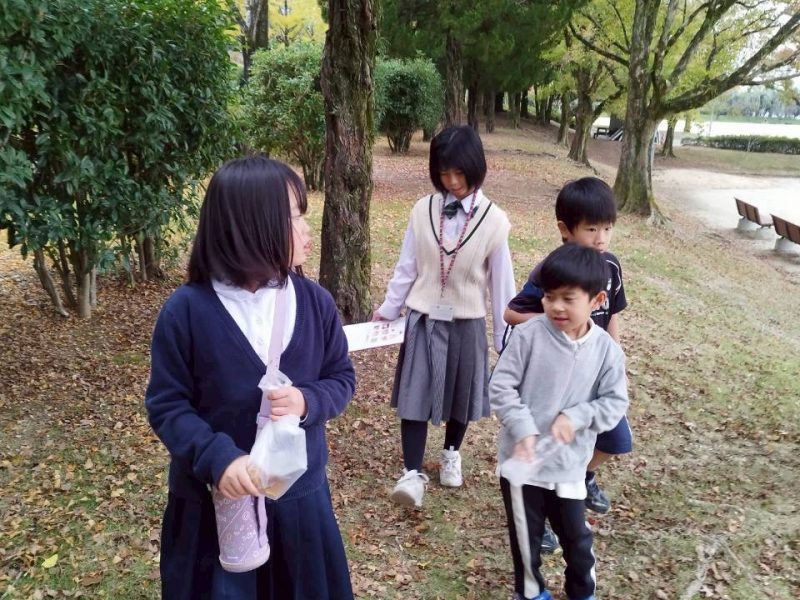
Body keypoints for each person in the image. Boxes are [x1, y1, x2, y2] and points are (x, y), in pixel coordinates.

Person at [145, 156, 356, 599]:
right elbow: (168, 405)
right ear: (250, 227)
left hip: (299, 505)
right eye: (294, 217)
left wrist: (308, 400)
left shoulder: (315, 303)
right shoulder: (186, 312)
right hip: (211, 510)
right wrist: (218, 459)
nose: (306, 230)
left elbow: (341, 376)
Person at [373, 125, 516, 508]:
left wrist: (505, 337)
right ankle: (411, 472)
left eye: (459, 172)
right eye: (444, 172)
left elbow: (502, 284)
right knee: (414, 393)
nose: (452, 181)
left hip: (467, 322)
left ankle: (452, 452)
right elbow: (407, 266)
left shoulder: (495, 221)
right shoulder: (422, 210)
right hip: (422, 318)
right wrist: (389, 308)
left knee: (460, 393)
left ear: (476, 167)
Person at [490, 243, 629, 600]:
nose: (556, 307)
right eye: (550, 297)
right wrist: (523, 428)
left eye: (569, 299)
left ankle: (582, 592)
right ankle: (531, 592)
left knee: (576, 539)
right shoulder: (528, 335)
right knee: (526, 539)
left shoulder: (605, 351)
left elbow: (615, 402)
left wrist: (578, 416)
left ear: (597, 300)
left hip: (568, 466)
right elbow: (501, 387)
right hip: (521, 467)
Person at [503, 177, 630, 550]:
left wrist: (615, 359)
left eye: (607, 228)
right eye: (591, 229)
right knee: (547, 455)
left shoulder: (611, 267)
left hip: (595, 375)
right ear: (565, 229)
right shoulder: (553, 272)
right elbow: (511, 313)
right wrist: (556, 319)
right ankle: (542, 517)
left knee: (617, 440)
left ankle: (583, 477)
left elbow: (613, 313)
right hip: (557, 378)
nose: (601, 238)